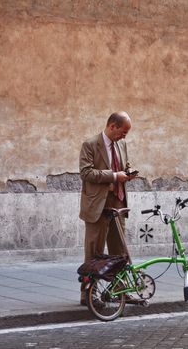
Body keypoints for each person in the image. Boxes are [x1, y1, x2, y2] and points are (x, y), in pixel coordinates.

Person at [79, 111, 137, 305]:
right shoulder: (90, 144)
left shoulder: (122, 145)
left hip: (118, 204)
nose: (124, 136)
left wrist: (128, 174)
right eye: (123, 132)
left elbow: (124, 165)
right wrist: (113, 176)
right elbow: (86, 173)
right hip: (98, 205)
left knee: (119, 251)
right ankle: (88, 294)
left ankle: (120, 289)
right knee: (94, 251)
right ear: (112, 126)